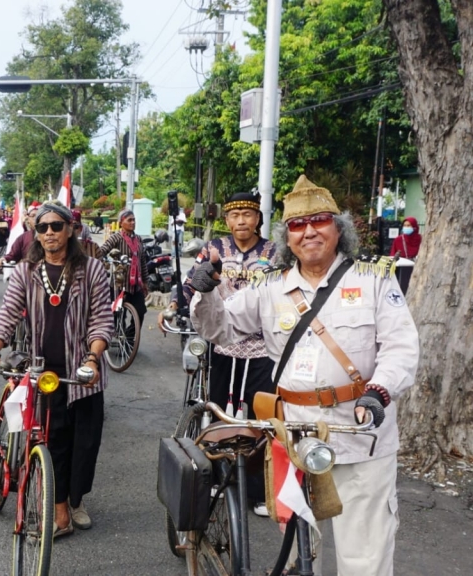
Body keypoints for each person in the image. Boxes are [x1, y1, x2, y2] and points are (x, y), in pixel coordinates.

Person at [189, 175, 419, 576]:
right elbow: (220, 328)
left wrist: (379, 392)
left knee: (365, 557)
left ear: (338, 228)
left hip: (360, 435)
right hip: (292, 437)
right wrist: (205, 291)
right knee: (298, 552)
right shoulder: (269, 287)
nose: (309, 231)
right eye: (297, 224)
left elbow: (401, 346)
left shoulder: (374, 279)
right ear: (286, 236)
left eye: (319, 220)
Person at [0, 201, 113, 537]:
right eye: (42, 227)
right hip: (44, 375)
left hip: (83, 375)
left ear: (70, 229)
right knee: (54, 442)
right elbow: (8, 314)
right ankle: (59, 509)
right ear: (35, 234)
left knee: (85, 446)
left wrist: (92, 359)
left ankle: (74, 499)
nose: (49, 232)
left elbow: (101, 320)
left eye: (56, 226)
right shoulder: (26, 271)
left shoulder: (92, 269)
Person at [172, 191, 278, 516]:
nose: (241, 220)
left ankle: (259, 492)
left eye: (248, 214)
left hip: (264, 349)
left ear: (258, 218)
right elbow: (194, 281)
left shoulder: (274, 252)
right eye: (235, 215)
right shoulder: (215, 249)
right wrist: (178, 302)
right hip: (224, 344)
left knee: (263, 421)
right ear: (227, 220)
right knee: (219, 413)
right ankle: (219, 476)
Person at [100, 209, 149, 327]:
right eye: (129, 220)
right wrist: (104, 263)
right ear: (121, 223)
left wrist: (145, 282)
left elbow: (142, 261)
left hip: (136, 285)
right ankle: (118, 335)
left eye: (134, 220)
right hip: (119, 283)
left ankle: (131, 338)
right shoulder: (116, 238)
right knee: (118, 314)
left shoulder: (139, 239)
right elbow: (101, 251)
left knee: (140, 311)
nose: (133, 222)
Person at [0, 202, 40, 267]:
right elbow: (13, 254)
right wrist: (4, 258)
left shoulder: (51, 235)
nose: (36, 219)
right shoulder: (23, 237)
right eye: (33, 216)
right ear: (28, 218)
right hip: (27, 272)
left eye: (38, 215)